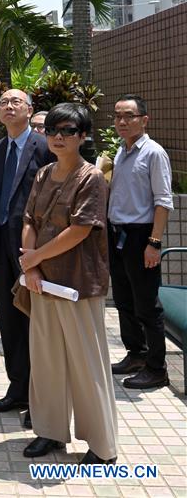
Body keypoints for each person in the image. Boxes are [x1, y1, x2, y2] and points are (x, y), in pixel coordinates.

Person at [20, 103, 118, 464]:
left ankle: (102, 445)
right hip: (43, 281)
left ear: (83, 136)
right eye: (52, 131)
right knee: (45, 360)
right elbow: (29, 218)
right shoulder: (44, 173)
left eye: (67, 131)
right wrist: (30, 267)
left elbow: (80, 230)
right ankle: (49, 432)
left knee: (86, 362)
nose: (58, 138)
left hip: (78, 281)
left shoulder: (90, 177)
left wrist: (35, 258)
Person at [0, 89, 53, 422]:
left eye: (15, 102)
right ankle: (17, 389)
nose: (8, 107)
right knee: (8, 321)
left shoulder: (46, 148)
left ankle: (41, 397)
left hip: (31, 249)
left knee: (35, 323)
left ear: (29, 109)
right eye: (3, 103)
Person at [108, 94, 173, 390]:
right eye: (118, 116)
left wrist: (154, 243)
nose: (122, 121)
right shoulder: (121, 151)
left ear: (144, 120)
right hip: (117, 234)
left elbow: (163, 202)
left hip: (141, 236)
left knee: (147, 305)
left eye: (129, 116)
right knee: (124, 300)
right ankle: (136, 354)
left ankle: (157, 369)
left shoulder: (154, 153)